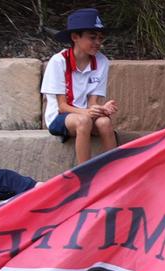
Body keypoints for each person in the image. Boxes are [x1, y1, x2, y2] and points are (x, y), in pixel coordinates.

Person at [41, 7, 118, 165]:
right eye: (92, 37)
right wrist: (88, 112)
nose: (98, 43)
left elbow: (92, 103)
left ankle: (116, 171)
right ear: (75, 37)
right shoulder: (58, 61)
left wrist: (102, 109)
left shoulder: (102, 61)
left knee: (105, 122)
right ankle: (85, 174)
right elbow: (62, 106)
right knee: (84, 121)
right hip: (60, 117)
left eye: (100, 38)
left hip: (85, 114)